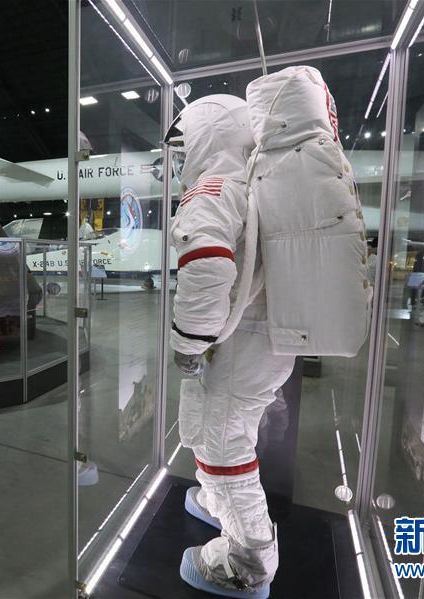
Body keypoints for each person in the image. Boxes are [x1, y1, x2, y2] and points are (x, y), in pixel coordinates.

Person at [166, 93, 295, 599]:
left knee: (223, 447)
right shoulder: (254, 186)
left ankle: (248, 561)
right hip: (261, 339)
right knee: (216, 432)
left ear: (208, 136)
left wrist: (188, 341)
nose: (182, 157)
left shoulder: (214, 187)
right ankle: (220, 504)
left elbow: (207, 263)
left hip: (239, 344)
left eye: (186, 144)